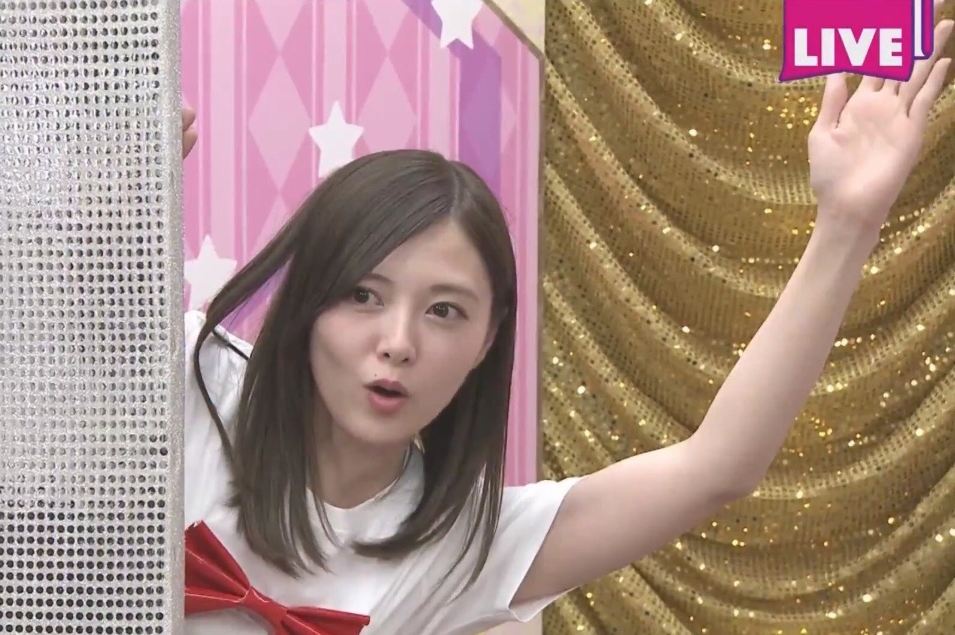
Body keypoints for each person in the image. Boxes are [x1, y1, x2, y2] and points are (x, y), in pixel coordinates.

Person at [178, 15, 953, 635]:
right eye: (363, 295)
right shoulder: (194, 380)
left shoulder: (471, 544)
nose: (399, 342)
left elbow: (716, 467)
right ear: (308, 299)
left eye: (445, 310)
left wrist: (847, 224)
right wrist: (119, 169)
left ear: (487, 341)